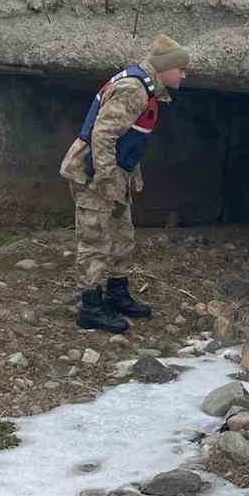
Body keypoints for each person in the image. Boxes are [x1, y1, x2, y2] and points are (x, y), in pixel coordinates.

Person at [61, 32, 190, 332]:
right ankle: (91, 306)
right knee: (95, 239)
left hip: (117, 172)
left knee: (121, 235)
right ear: (164, 67)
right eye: (180, 68)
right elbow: (103, 135)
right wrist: (106, 179)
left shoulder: (146, 88)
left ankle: (117, 293)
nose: (184, 74)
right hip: (94, 173)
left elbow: (129, 138)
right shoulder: (134, 89)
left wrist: (132, 174)